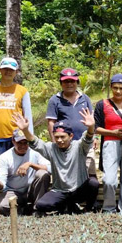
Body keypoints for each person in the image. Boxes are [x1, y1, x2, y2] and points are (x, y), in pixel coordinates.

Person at [12, 111, 99, 215]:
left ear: (70, 136)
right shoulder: (51, 148)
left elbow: (87, 138)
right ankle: (68, 206)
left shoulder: (79, 147)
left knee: (93, 183)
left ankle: (87, 209)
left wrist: (91, 127)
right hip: (60, 191)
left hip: (78, 189)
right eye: (57, 137)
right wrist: (25, 130)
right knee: (41, 205)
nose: (59, 140)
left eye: (63, 137)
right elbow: (35, 142)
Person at [45, 68, 100, 208]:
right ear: (61, 83)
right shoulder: (54, 100)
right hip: (65, 147)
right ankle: (70, 204)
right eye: (66, 81)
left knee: (89, 176)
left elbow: (90, 119)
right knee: (69, 177)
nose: (69, 84)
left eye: (72, 81)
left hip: (84, 144)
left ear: (77, 82)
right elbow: (51, 122)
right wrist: (54, 142)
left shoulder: (85, 98)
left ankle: (89, 206)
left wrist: (94, 136)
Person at [0, 57, 33, 171]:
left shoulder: (22, 91)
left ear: (16, 72)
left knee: (17, 170)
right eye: (5, 69)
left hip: (18, 137)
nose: (8, 72)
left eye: (11, 70)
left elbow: (28, 115)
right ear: (0, 70)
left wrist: (30, 137)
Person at [0, 129, 51, 216]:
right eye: (19, 143)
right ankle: (24, 210)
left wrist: (31, 164)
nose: (23, 146)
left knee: (43, 174)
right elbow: (1, 186)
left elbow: (51, 168)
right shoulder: (5, 157)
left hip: (32, 190)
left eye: (25, 143)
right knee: (0, 206)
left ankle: (38, 208)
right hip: (13, 191)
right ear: (13, 141)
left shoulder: (35, 153)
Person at [94, 74, 122, 214]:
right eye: (115, 88)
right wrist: (113, 133)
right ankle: (109, 208)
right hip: (110, 143)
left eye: (121, 88)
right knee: (109, 179)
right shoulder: (102, 104)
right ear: (111, 87)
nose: (118, 91)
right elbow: (96, 127)